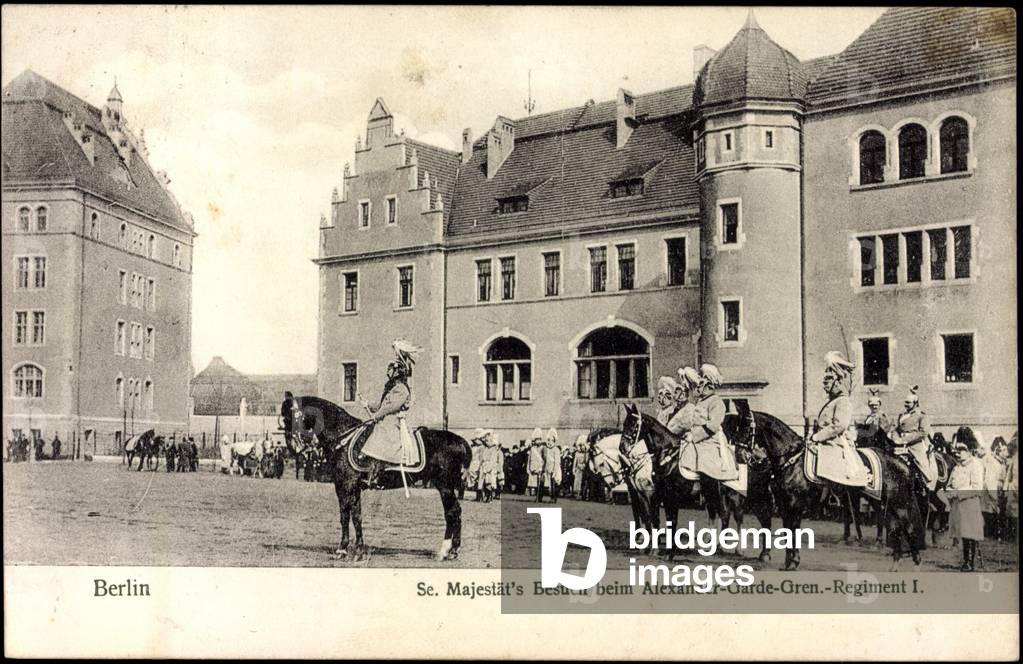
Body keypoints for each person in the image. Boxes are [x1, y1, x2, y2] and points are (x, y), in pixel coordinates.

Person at [360, 340, 422, 487]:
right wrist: (367, 404)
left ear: (398, 372)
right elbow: (382, 405)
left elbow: (390, 408)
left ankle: (378, 474)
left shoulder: (401, 389)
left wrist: (376, 416)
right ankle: (371, 471)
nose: (389, 373)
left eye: (392, 371)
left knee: (381, 432)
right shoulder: (393, 388)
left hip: (393, 421)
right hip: (386, 419)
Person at [810, 351, 866, 486]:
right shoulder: (831, 402)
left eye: (828, 380)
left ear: (837, 382)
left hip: (835, 443)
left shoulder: (843, 401)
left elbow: (839, 425)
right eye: (824, 381)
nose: (824, 385)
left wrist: (817, 437)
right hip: (823, 442)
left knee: (830, 473)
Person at [684, 364, 736, 479]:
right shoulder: (701, 402)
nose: (698, 388)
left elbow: (713, 426)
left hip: (711, 441)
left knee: (705, 463)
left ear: (708, 386)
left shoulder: (716, 402)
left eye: (701, 385)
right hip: (698, 440)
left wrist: (694, 435)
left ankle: (710, 494)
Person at [948, 437, 985, 571]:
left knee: (969, 533)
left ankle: (969, 562)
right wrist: (950, 490)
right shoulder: (957, 466)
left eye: (962, 450)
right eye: (957, 450)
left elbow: (977, 487)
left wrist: (958, 492)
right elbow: (950, 482)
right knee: (962, 533)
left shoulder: (975, 465)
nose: (958, 453)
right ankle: (965, 560)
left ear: (970, 451)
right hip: (958, 506)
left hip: (969, 504)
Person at [892, 386, 937, 488]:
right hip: (899, 444)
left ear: (915, 403)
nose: (906, 405)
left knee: (921, 463)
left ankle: (927, 483)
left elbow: (923, 432)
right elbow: (895, 429)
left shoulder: (921, 415)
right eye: (905, 402)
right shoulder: (901, 415)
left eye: (908, 403)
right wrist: (895, 438)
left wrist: (904, 440)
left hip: (915, 444)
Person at [975, 438, 1005, 540]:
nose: (1005, 453)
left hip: (995, 488)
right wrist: (993, 494)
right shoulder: (993, 462)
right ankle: (991, 532)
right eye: (1003, 450)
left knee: (992, 511)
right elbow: (990, 479)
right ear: (997, 450)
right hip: (991, 490)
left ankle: (991, 531)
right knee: (991, 511)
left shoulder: (998, 462)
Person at [538, 428, 562, 503]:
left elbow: (557, 462)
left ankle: (553, 498)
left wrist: (555, 471)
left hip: (554, 468)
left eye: (550, 440)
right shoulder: (545, 449)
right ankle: (540, 497)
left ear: (553, 441)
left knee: (553, 484)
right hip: (546, 468)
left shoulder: (556, 450)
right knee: (543, 482)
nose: (549, 442)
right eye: (548, 440)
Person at [465, 428, 484, 501]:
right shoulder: (474, 447)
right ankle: (478, 496)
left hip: (478, 465)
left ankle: (480, 496)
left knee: (480, 481)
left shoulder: (482, 447)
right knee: (476, 481)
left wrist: (480, 466)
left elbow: (481, 458)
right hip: (473, 465)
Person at [527, 429, 544, 497]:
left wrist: (541, 468)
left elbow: (544, 459)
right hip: (533, 468)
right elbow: (529, 459)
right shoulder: (532, 449)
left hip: (539, 468)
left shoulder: (543, 448)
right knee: (533, 483)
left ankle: (539, 495)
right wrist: (528, 468)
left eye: (539, 440)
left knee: (539, 484)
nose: (538, 441)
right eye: (537, 440)